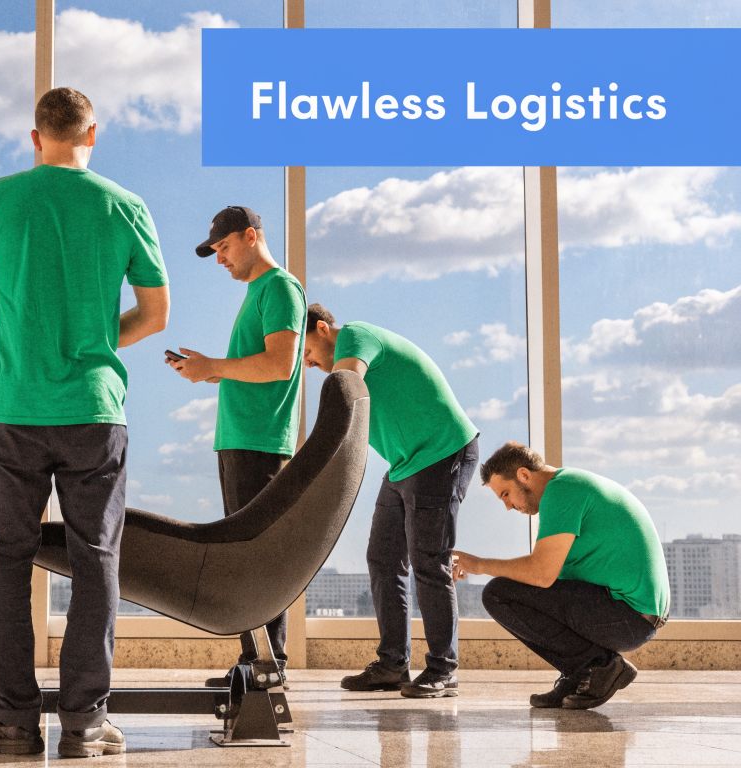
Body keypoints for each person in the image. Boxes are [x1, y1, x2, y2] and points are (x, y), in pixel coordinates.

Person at [0, 86, 169, 758]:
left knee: (4, 566)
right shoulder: (125, 205)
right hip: (94, 411)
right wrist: (98, 343)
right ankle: (84, 724)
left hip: (13, 410)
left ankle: (14, 722)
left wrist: (22, 346)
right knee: (96, 562)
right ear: (92, 134)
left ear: (34, 136)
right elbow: (156, 315)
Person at [302, 304, 478, 698]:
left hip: (442, 452)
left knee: (428, 562)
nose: (309, 364)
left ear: (323, 328)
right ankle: (393, 664)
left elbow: (346, 389)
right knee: (383, 558)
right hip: (405, 465)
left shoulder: (355, 336)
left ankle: (443, 669)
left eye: (307, 351)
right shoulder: (343, 347)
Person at [169, 205, 305, 671]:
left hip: (259, 443)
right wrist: (211, 373)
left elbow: (280, 365)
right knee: (243, 556)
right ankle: (254, 661)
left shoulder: (281, 288)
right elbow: (256, 369)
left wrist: (215, 367)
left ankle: (269, 663)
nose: (220, 259)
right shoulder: (256, 293)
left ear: (250, 236)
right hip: (240, 440)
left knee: (256, 557)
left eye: (224, 248)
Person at [453, 441, 670, 709]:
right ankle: (583, 674)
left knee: (499, 594)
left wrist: (479, 564)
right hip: (635, 615)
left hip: (630, 617)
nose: (508, 506)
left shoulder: (562, 490)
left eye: (506, 494)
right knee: (518, 593)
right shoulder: (568, 487)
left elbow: (541, 574)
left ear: (523, 475)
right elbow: (547, 580)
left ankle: (601, 667)